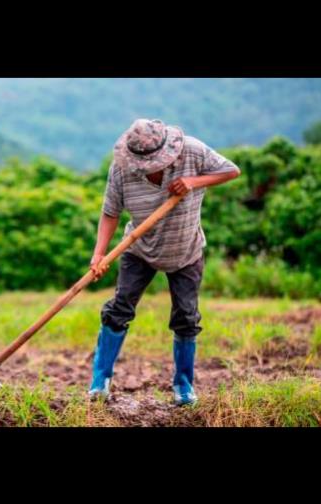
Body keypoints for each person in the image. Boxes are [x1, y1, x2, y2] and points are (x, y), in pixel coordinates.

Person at [88, 118, 241, 406]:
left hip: (186, 250)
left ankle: (183, 386)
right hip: (139, 249)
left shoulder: (193, 151)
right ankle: (100, 382)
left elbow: (231, 170)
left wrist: (194, 182)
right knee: (119, 309)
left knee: (186, 316)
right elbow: (110, 212)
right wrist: (99, 254)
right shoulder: (122, 168)